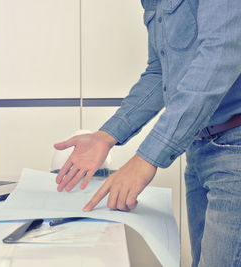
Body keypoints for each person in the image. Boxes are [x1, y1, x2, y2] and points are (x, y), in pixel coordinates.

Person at [54, 0, 241, 266]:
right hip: (199, 146)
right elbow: (159, 74)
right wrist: (108, 134)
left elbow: (220, 56)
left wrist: (147, 157)